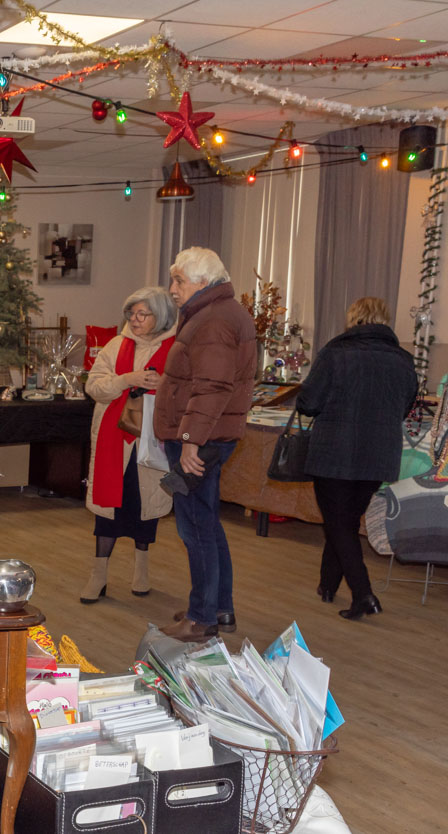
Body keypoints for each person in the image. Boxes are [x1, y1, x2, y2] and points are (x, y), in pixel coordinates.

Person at [153, 247, 257, 642]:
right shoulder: (217, 313)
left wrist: (190, 441)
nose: (172, 288)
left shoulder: (213, 320)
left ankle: (200, 618)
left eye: (179, 280)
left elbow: (212, 387)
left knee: (195, 527)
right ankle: (219, 608)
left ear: (202, 281)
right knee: (207, 524)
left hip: (200, 438)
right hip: (208, 435)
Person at [296, 297, 417, 620]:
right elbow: (405, 406)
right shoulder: (403, 360)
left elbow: (308, 402)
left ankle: (363, 594)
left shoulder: (335, 353)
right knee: (345, 522)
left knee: (338, 523)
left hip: (333, 452)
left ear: (354, 319)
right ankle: (327, 584)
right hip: (379, 454)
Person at [80, 287, 178, 603]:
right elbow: (94, 386)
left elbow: (186, 392)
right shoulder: (116, 345)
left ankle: (142, 570)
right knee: (108, 510)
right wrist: (128, 379)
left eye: (142, 314)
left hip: (152, 441)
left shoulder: (177, 349)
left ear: (161, 316)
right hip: (114, 440)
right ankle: (98, 576)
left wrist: (164, 385)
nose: (134, 320)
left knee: (144, 506)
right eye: (131, 314)